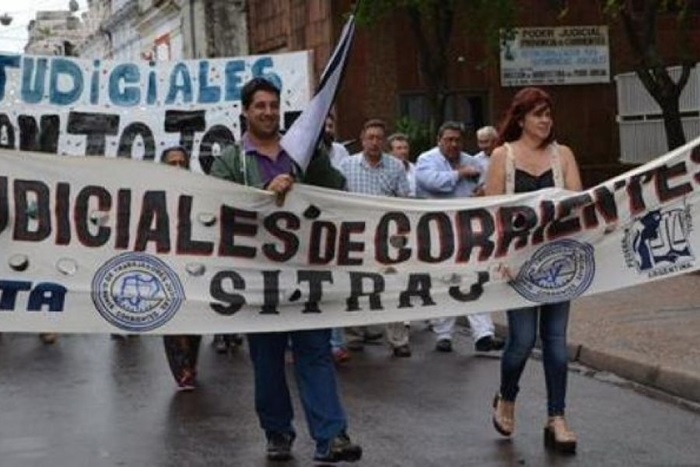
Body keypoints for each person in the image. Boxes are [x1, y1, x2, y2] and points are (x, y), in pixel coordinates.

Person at [210, 77, 362, 464]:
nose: (268, 112)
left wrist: (318, 153)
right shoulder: (231, 160)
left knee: (315, 354)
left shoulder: (300, 151)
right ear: (245, 111)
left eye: (274, 105)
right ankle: (277, 431)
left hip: (305, 273)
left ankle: (332, 436)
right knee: (267, 361)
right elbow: (219, 207)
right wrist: (267, 190)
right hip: (258, 279)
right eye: (260, 106)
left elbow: (335, 191)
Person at [485, 87, 582, 454]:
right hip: (519, 265)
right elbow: (493, 214)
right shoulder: (502, 156)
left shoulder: (563, 155)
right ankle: (507, 396)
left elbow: (579, 203)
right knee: (522, 341)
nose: (545, 120)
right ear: (521, 118)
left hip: (557, 262)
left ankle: (557, 417)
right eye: (538, 114)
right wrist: (503, 260)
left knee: (556, 341)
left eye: (548, 114)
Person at [415, 121, 505, 354]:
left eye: (457, 140)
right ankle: (443, 334)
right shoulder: (426, 160)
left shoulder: (471, 160)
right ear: (439, 140)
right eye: (449, 139)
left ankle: (484, 334)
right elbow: (433, 183)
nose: (454, 144)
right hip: (437, 232)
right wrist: (460, 174)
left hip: (467, 230)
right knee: (445, 281)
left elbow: (486, 186)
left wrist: (482, 192)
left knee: (473, 279)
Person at [339, 119, 413, 358]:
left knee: (392, 287)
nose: (374, 142)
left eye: (378, 138)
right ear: (362, 140)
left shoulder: (396, 166)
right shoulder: (346, 165)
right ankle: (354, 335)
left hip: (387, 237)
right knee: (354, 285)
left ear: (384, 141)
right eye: (370, 137)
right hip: (356, 235)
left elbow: (404, 201)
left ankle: (399, 340)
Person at [158, 146, 204, 391]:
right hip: (165, 264)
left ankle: (190, 363)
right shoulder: (151, 193)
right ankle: (182, 370)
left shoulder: (199, 192)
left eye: (181, 163)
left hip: (193, 263)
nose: (177, 167)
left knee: (193, 318)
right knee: (172, 317)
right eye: (171, 163)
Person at [388, 132, 416, 197]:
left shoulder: (415, 168)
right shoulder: (386, 169)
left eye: (406, 148)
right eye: (399, 148)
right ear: (390, 152)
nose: (403, 151)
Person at [472, 125, 498, 196]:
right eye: (480, 142)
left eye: (486, 142)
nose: (483, 146)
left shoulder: (505, 156)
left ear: (495, 141)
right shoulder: (475, 160)